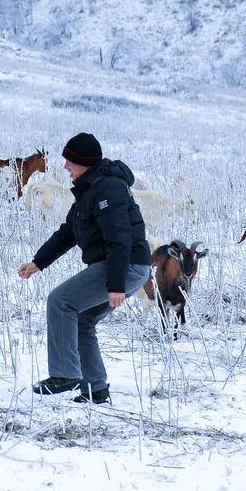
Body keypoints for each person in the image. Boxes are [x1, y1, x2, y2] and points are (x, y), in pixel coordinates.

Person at [18, 132, 151, 404]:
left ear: (83, 162)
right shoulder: (91, 188)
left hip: (125, 266)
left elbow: (119, 238)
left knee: (60, 301)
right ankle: (95, 388)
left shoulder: (108, 189)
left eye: (69, 161)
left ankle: (65, 374)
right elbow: (69, 232)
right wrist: (38, 262)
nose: (65, 167)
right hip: (123, 266)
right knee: (82, 319)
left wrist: (115, 285)